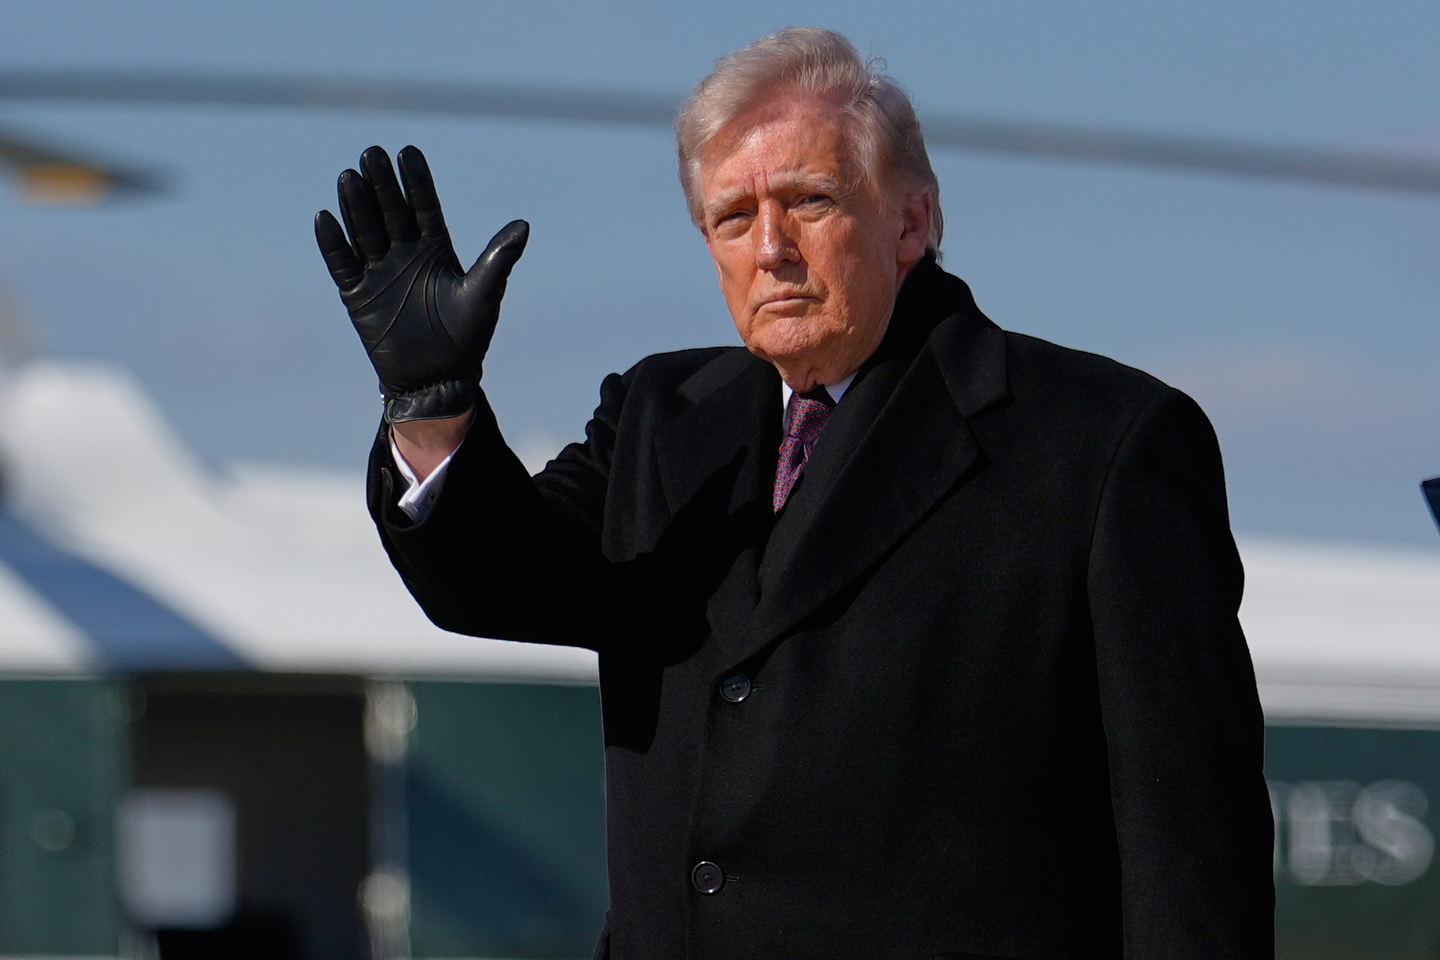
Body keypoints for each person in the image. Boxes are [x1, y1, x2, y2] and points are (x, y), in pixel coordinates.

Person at [316, 27, 1274, 960]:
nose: (769, 247)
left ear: (912, 222)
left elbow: (1189, 848)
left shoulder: (1102, 443)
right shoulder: (662, 414)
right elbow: (498, 582)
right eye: (733, 217)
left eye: (809, 201)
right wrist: (432, 409)